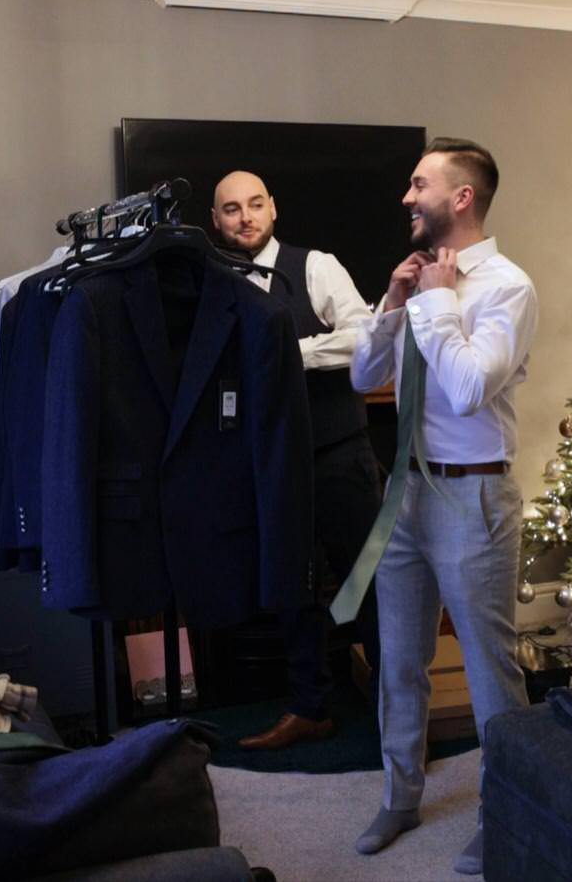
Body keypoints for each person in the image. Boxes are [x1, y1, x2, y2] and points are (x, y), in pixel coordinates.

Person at [347, 138, 536, 875]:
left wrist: (437, 303)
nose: (406, 197)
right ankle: (400, 795)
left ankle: (507, 809)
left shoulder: (506, 288)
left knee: (491, 671)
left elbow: (465, 389)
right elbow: (365, 375)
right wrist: (396, 304)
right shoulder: (415, 283)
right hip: (407, 492)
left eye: (418, 184)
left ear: (461, 198)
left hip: (474, 496)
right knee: (399, 660)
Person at [211, 170, 386, 750]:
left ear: (274, 208)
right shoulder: (214, 285)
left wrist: (290, 354)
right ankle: (310, 707)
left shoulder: (316, 266)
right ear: (217, 221)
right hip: (270, 464)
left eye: (255, 204)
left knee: (368, 585)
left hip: (339, 455)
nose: (245, 217)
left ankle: (398, 711)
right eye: (232, 209)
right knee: (293, 588)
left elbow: (364, 335)